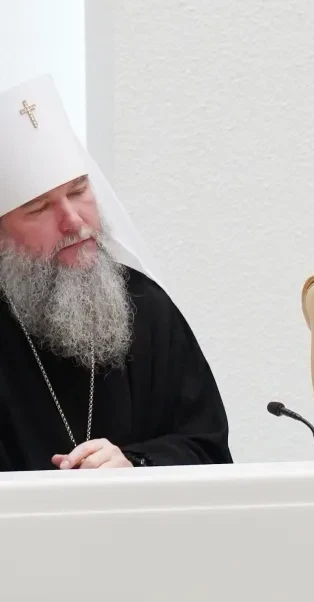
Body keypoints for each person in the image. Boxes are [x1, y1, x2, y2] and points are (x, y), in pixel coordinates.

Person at [0, 75, 229, 471]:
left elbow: (208, 450)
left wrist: (134, 465)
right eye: (39, 208)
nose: (73, 221)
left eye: (78, 192)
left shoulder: (145, 306)